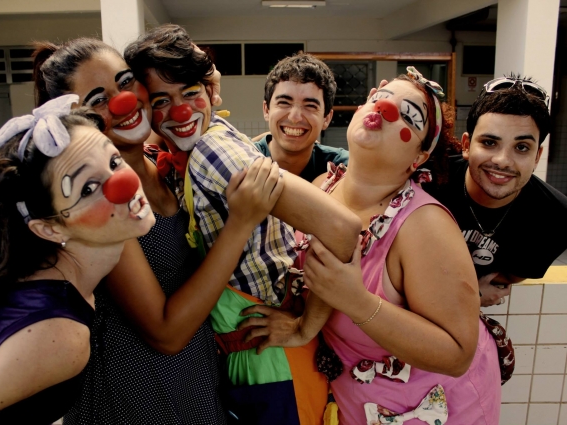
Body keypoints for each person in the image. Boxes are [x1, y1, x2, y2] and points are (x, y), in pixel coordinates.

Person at [33, 36, 284, 425]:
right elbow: (165, 333)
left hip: (198, 379)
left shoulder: (161, 161)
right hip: (138, 392)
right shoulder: (103, 198)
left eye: (127, 81)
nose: (124, 101)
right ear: (74, 120)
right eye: (99, 99)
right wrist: (241, 224)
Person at [125, 25, 361, 425]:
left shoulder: (214, 153)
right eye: (161, 100)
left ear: (209, 93)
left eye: (189, 94)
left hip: (269, 358)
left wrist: (306, 326)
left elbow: (341, 227)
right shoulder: (201, 141)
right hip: (254, 352)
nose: (179, 112)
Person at [240, 68, 501, 424]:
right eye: (379, 99)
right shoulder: (321, 188)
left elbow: (457, 355)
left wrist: (357, 301)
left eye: (409, 116)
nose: (387, 110)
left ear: (419, 157)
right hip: (356, 403)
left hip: (435, 407)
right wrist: (299, 322)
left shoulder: (424, 225)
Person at [0, 96, 156, 424]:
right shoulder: (60, 334)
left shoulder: (39, 273)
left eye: (114, 162)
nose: (125, 184)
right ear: (47, 227)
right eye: (89, 188)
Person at [425, 76, 567, 307]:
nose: (503, 161)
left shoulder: (556, 217)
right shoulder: (427, 179)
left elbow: (509, 277)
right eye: (490, 142)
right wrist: (467, 293)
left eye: (521, 147)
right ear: (467, 146)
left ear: (537, 157)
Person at [254, 53, 348, 182]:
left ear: (326, 118)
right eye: (284, 103)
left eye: (310, 106)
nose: (295, 117)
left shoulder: (340, 166)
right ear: (266, 110)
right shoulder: (242, 159)